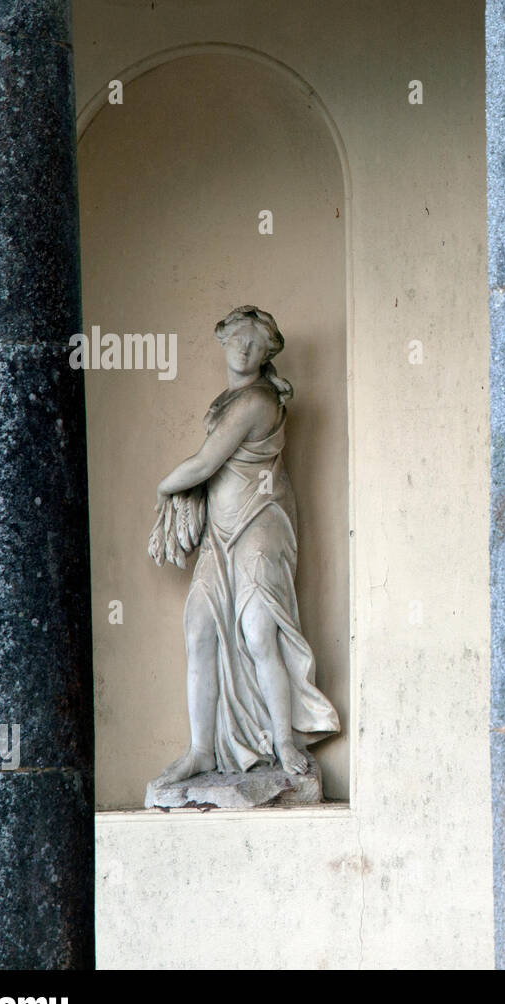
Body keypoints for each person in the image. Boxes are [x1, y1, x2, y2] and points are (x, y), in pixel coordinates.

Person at [154, 306, 339, 784]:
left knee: (259, 631)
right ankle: (200, 751)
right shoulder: (225, 400)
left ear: (267, 354)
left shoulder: (256, 402)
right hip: (221, 533)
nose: (244, 348)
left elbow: (202, 465)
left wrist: (164, 489)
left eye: (256, 344)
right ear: (222, 340)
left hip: (260, 524)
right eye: (238, 338)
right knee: (198, 629)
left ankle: (282, 740)